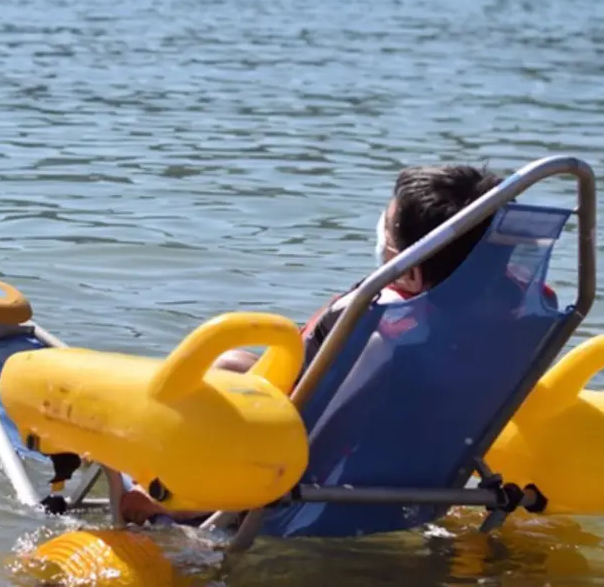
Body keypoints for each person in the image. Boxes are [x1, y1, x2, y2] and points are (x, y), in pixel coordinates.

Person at [120, 163, 505, 525]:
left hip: (293, 476)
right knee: (231, 362)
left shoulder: (382, 329)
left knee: (205, 381)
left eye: (387, 232)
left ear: (413, 272)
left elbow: (326, 434)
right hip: (412, 474)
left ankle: (168, 498)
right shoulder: (509, 314)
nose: (380, 238)